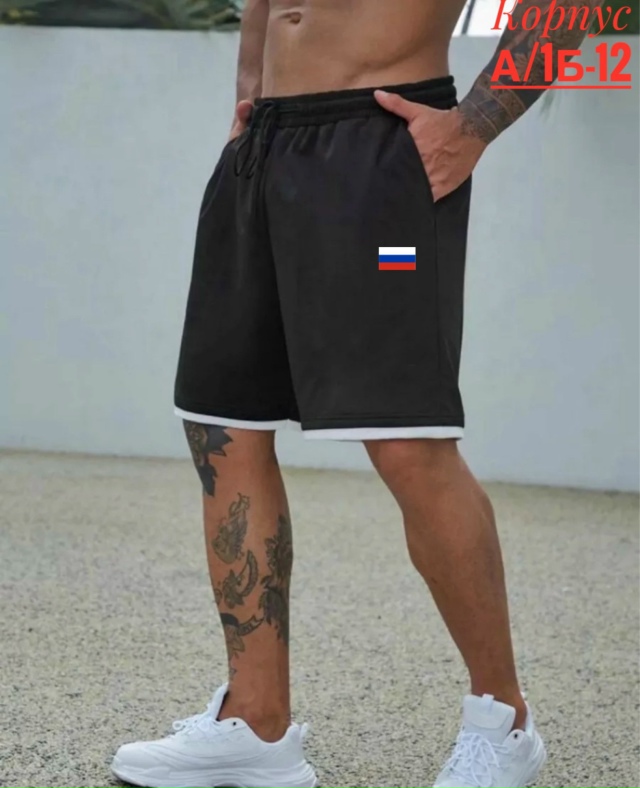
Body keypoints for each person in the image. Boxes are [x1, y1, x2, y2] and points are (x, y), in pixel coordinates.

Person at [111, 2, 603, 786]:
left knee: (407, 440)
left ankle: (503, 721)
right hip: (263, 147)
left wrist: (472, 126)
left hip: (379, 149)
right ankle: (256, 724)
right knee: (223, 429)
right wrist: (246, 111)